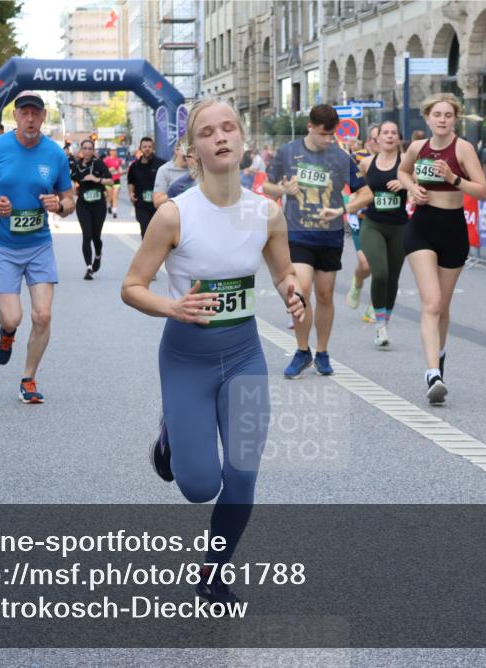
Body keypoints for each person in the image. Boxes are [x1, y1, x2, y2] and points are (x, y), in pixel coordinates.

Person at [121, 99, 304, 606]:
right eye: (208, 132)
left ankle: (214, 572)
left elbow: (283, 272)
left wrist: (293, 292)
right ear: (193, 149)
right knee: (199, 485)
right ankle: (172, 437)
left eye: (229, 128)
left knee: (243, 472)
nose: (220, 137)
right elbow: (132, 286)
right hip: (186, 358)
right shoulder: (174, 215)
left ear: (243, 140)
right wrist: (172, 307)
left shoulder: (266, 212)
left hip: (244, 354)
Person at [0, 91, 76, 404]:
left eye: (36, 113)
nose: (30, 118)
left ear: (44, 117)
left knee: (43, 316)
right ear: (15, 117)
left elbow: (70, 199)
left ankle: (28, 378)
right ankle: (6, 332)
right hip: (3, 246)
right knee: (13, 317)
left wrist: (60, 205)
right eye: (24, 113)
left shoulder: (55, 154)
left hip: (39, 245)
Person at [398, 93, 486, 404]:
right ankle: (432, 374)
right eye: (437, 114)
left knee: (444, 308)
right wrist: (412, 189)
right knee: (432, 303)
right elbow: (402, 171)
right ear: (427, 118)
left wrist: (453, 178)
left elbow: (483, 190)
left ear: (455, 119)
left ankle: (440, 355)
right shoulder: (417, 148)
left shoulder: (462, 149)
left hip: (453, 229)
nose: (442, 119)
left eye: (448, 115)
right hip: (421, 228)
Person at [264, 104, 360, 378]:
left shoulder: (341, 158)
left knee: (325, 294)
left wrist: (343, 209)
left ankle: (322, 351)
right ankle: (302, 350)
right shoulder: (288, 152)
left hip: (329, 236)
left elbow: (364, 193)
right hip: (296, 233)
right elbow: (266, 186)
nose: (328, 140)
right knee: (300, 290)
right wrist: (283, 189)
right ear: (310, 127)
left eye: (332, 134)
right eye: (323, 134)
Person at [342, 120, 408, 348]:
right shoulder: (367, 163)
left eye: (393, 133)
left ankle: (384, 321)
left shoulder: (407, 163)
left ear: (398, 138)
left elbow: (423, 184)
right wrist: (351, 202)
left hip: (400, 226)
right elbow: (356, 188)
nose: (389, 136)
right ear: (376, 138)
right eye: (385, 133)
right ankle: (379, 325)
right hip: (372, 223)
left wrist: (405, 183)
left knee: (392, 278)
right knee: (379, 273)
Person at [345, 124, 379, 324]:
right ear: (368, 141)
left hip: (385, 217)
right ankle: (357, 283)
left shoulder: (397, 159)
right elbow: (351, 183)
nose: (380, 142)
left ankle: (374, 306)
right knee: (366, 264)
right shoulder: (358, 158)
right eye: (375, 138)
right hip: (361, 216)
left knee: (381, 266)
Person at [70, 137, 113, 279]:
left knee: (96, 236)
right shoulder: (76, 165)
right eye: (85, 148)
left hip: (98, 204)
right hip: (83, 204)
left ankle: (98, 255)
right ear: (81, 150)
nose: (87, 151)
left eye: (90, 148)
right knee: (86, 235)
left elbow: (111, 180)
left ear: (93, 151)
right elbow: (71, 180)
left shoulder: (99, 164)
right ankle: (89, 268)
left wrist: (97, 180)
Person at [126, 137, 165, 236]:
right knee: (145, 229)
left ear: (153, 148)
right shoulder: (134, 166)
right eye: (144, 147)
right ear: (140, 148)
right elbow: (131, 182)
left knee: (159, 231)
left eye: (149, 147)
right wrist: (131, 194)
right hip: (141, 204)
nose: (147, 149)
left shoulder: (162, 164)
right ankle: (148, 250)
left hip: (158, 204)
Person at [152, 142, 191, 207]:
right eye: (186, 150)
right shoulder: (165, 170)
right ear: (177, 150)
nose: (188, 155)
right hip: (175, 213)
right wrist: (173, 192)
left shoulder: (198, 169)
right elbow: (157, 202)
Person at [103, 148, 124, 218]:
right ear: (110, 152)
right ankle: (109, 206)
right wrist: (110, 170)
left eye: (115, 151)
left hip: (116, 180)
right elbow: (103, 170)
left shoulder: (118, 160)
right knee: (110, 197)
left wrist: (121, 171)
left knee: (115, 196)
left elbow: (120, 169)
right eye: (113, 151)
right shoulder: (106, 160)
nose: (115, 152)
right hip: (109, 181)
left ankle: (114, 212)